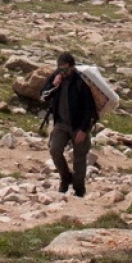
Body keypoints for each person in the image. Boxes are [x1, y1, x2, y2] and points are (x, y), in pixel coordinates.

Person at [41, 51, 99, 196]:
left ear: (72, 67)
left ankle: (79, 189)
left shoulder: (81, 82)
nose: (63, 72)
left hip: (79, 126)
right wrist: (53, 85)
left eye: (65, 69)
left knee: (79, 158)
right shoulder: (57, 77)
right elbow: (43, 95)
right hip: (61, 123)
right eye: (60, 68)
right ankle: (65, 178)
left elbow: (89, 108)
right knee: (55, 150)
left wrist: (83, 129)